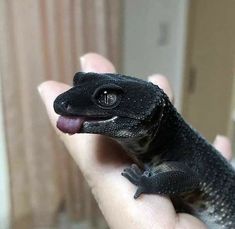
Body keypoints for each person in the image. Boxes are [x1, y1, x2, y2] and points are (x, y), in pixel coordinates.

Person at [38, 53, 232, 229]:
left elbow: (188, 179)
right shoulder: (165, 141)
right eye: (78, 82)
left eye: (107, 99)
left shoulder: (176, 153)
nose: (65, 103)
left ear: (151, 117)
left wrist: (149, 183)